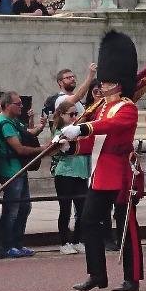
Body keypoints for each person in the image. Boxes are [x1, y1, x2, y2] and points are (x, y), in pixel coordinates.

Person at [61, 31, 143, 291]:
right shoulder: (102, 107)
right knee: (88, 221)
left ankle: (132, 277)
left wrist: (82, 128)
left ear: (118, 84)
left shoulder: (127, 108)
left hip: (120, 174)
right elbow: (95, 141)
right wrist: (70, 145)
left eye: (106, 83)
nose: (102, 86)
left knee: (126, 228)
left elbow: (109, 127)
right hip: (100, 174)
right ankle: (96, 273)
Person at [0, 92, 42, 258]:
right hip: (10, 170)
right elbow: (19, 149)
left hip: (19, 168)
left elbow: (28, 133)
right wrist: (42, 149)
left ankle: (18, 243)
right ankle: (8, 245)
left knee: (24, 207)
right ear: (7, 106)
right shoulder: (4, 122)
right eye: (18, 104)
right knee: (12, 209)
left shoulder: (13, 121)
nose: (22, 106)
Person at [51, 103, 89, 255]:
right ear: (62, 115)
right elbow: (57, 147)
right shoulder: (60, 131)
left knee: (82, 209)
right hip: (65, 174)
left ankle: (78, 240)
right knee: (65, 209)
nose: (74, 117)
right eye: (71, 114)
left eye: (76, 114)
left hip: (81, 173)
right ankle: (64, 242)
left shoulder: (78, 130)